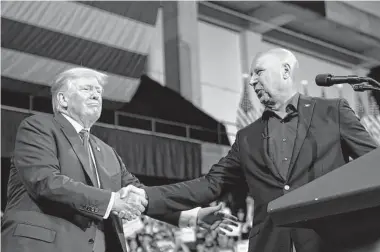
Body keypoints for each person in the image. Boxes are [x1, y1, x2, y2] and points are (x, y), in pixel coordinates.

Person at [139, 48, 379, 252]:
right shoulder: (247, 137)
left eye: (258, 72)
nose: (252, 81)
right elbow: (210, 184)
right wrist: (147, 196)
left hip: (333, 243)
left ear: (285, 71)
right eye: (251, 75)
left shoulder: (332, 112)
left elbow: (373, 166)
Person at [1, 68, 237, 252]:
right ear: (62, 100)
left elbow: (141, 196)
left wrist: (190, 216)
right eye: (87, 89)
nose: (96, 95)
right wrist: (112, 201)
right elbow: (46, 182)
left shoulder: (107, 152)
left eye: (99, 92)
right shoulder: (38, 127)